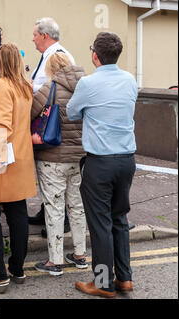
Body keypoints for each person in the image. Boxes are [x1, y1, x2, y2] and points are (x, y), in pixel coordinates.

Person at [67, 32, 138, 298]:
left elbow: (73, 112)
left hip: (100, 162)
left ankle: (103, 282)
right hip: (126, 160)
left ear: (95, 55)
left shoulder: (88, 83)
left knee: (100, 224)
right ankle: (125, 278)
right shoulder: (130, 80)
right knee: (119, 218)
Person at [0, 43, 37, 294]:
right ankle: (17, 269)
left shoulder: (2, 86)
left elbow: (2, 124)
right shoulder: (25, 86)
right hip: (20, 159)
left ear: (0, 61)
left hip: (0, 160)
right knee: (17, 214)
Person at [30, 52, 87, 276]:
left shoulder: (49, 89)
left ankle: (55, 261)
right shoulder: (85, 87)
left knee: (54, 208)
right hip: (78, 157)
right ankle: (80, 255)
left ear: (52, 69)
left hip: (52, 158)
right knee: (77, 206)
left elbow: (29, 114)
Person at [28, 17, 74, 235]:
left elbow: (50, 89)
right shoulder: (50, 54)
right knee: (48, 174)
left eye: (35, 35)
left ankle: (59, 219)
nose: (33, 39)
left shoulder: (57, 56)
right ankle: (47, 211)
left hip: (53, 122)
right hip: (49, 120)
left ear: (44, 36)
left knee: (54, 175)